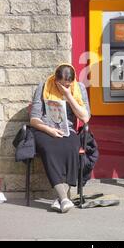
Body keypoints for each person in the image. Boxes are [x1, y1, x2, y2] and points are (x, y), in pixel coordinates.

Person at [30, 63, 91, 213]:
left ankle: (61, 199)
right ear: (55, 80)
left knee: (72, 147)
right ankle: (64, 198)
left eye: (67, 85)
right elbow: (34, 119)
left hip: (67, 129)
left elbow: (85, 117)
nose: (64, 87)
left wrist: (69, 95)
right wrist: (48, 129)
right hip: (45, 130)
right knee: (49, 148)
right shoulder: (44, 87)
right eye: (60, 85)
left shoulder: (79, 88)